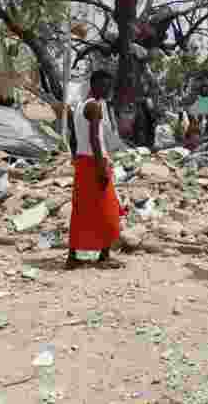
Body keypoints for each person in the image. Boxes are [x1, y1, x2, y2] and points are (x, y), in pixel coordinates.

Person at [67, 69, 123, 270]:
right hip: (94, 162)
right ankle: (104, 255)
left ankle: (73, 256)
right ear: (95, 85)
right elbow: (95, 140)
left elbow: (75, 138)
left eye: (110, 86)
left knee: (81, 209)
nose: (108, 90)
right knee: (109, 209)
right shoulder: (95, 107)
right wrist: (102, 168)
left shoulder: (81, 106)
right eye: (105, 86)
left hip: (82, 161)